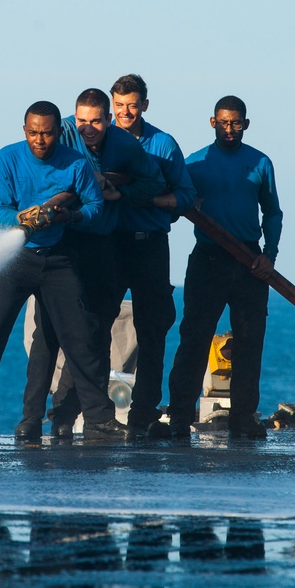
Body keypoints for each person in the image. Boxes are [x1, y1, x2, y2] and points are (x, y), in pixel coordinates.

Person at [0, 100, 123, 445]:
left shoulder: (75, 163)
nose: (40, 139)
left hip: (56, 258)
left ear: (59, 131)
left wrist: (68, 217)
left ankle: (100, 421)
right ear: (24, 130)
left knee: (81, 336)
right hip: (11, 259)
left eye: (47, 133)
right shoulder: (6, 158)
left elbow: (95, 206)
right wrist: (24, 218)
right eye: (34, 132)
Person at [21, 88, 165, 441]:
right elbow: (36, 170)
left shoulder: (125, 146)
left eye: (96, 121)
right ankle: (35, 420)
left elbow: (155, 182)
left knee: (95, 331)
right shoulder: (61, 132)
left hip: (102, 245)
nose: (87, 129)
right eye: (81, 121)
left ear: (108, 119)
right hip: (62, 246)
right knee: (48, 334)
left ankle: (85, 417)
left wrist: (118, 189)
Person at [167, 95, 283, 439]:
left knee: (250, 341)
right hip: (208, 258)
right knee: (194, 338)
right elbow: (174, 204)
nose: (229, 129)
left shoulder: (260, 162)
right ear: (212, 122)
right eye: (223, 122)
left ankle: (243, 418)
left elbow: (272, 212)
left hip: (249, 261)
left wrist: (269, 255)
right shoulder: (195, 164)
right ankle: (178, 417)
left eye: (236, 123)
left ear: (246, 124)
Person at [109, 74, 196, 438]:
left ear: (145, 104)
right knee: (93, 328)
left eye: (132, 105)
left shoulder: (163, 144)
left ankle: (143, 414)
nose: (125, 112)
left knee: (153, 330)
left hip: (150, 245)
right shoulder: (97, 140)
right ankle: (92, 412)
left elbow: (187, 196)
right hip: (108, 245)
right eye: (119, 106)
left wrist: (151, 200)